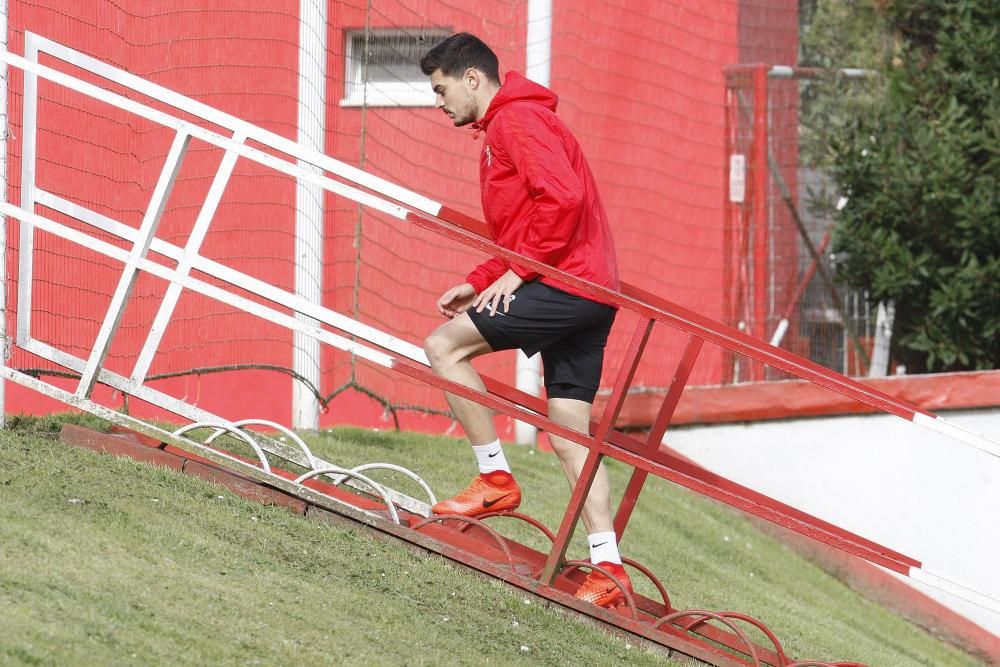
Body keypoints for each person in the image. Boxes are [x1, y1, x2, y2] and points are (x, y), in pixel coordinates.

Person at [419, 33, 632, 609]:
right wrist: (486, 277)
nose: (438, 104)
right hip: (590, 291)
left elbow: (560, 200)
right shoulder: (511, 126)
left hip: (566, 283)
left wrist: (518, 271)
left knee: (443, 347)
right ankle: (608, 568)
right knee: (569, 431)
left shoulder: (516, 122)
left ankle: (494, 479)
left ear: (472, 79)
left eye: (441, 90)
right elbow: (527, 224)